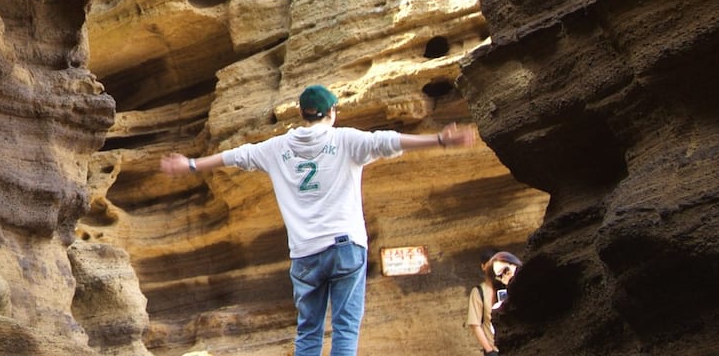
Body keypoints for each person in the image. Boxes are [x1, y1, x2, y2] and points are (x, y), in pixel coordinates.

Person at [159, 84, 473, 356]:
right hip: (345, 247)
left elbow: (235, 156)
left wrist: (191, 165)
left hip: (304, 253)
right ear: (331, 111)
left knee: (308, 332)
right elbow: (389, 141)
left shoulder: (276, 148)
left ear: (302, 114)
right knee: (345, 329)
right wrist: (440, 140)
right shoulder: (346, 140)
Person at [468, 251, 522, 356]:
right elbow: (475, 324)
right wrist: (489, 350)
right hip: (497, 348)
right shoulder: (479, 292)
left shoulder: (516, 287)